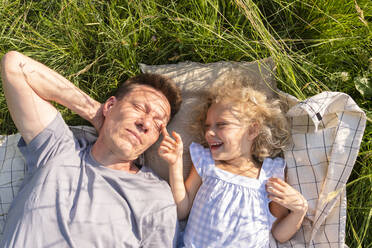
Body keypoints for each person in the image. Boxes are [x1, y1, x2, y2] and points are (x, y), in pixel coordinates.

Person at [0, 51, 182, 247]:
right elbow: (15, 66)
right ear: (110, 105)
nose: (146, 123)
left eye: (158, 123)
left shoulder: (155, 196)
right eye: (139, 107)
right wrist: (94, 112)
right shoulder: (59, 149)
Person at [158, 75, 308, 247]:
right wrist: (175, 164)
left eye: (221, 125)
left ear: (252, 130)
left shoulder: (270, 175)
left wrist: (299, 210)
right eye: (207, 126)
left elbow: (279, 234)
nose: (209, 133)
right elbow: (181, 210)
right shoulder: (206, 162)